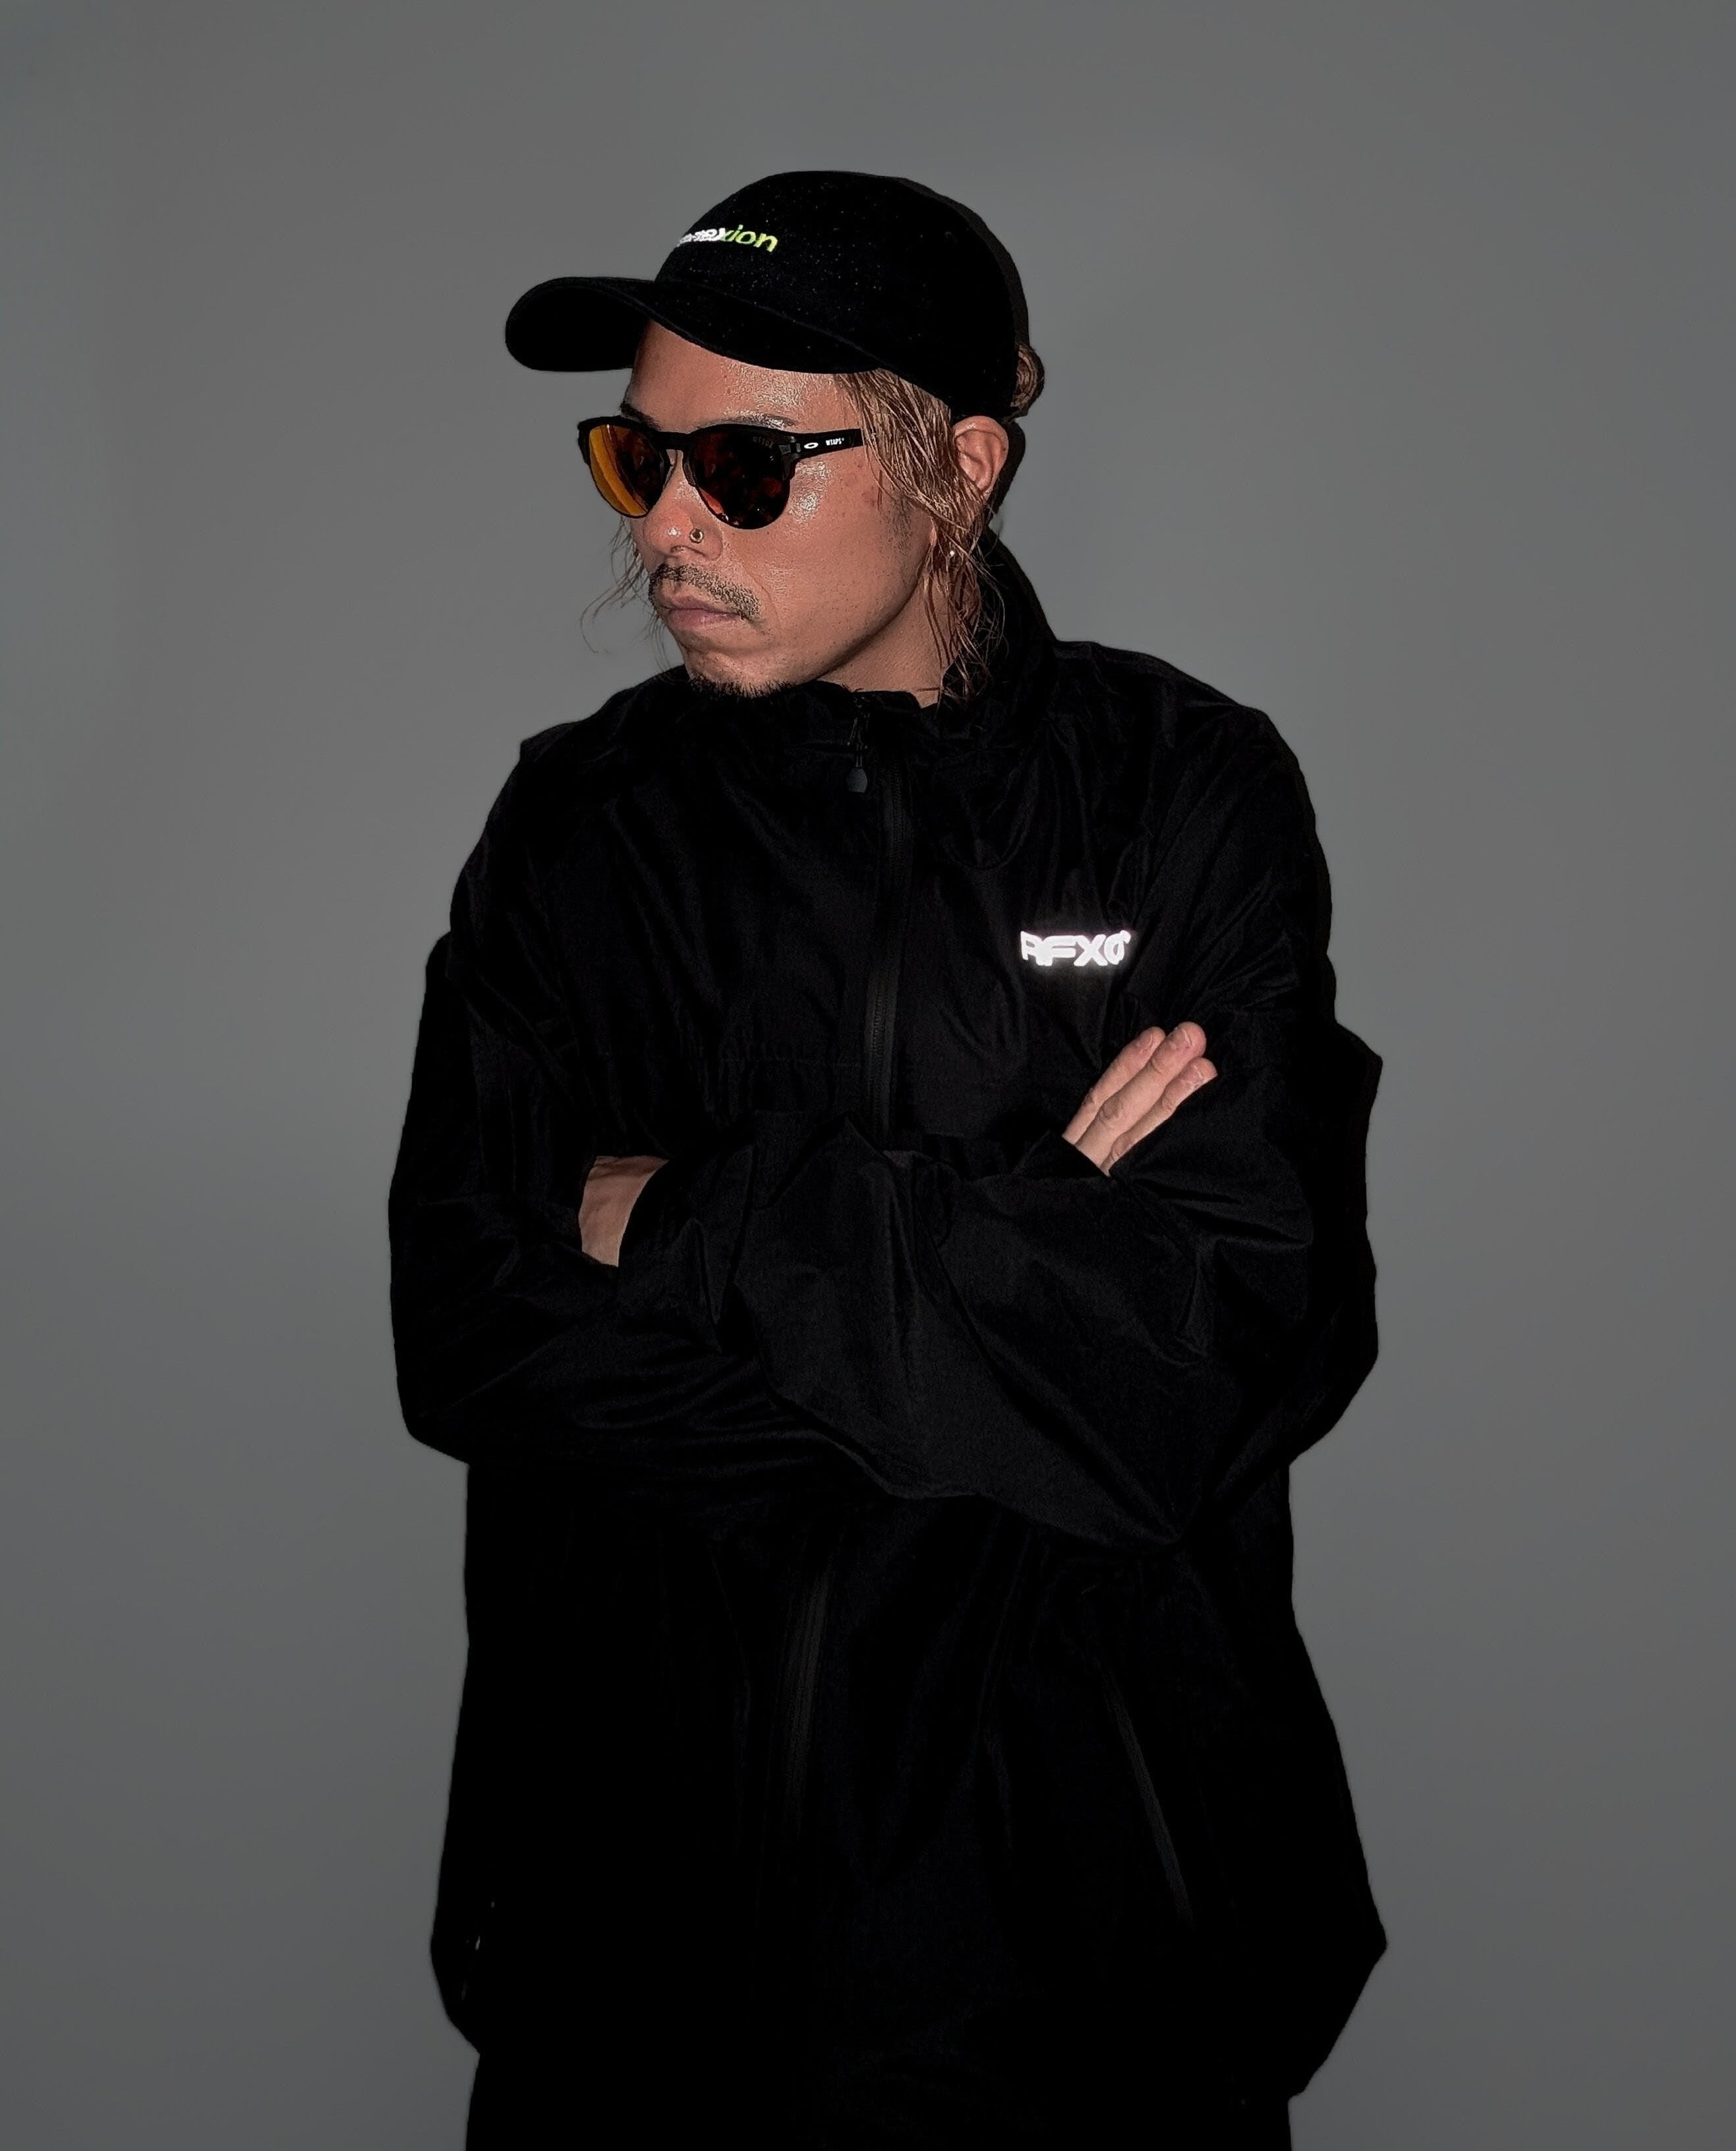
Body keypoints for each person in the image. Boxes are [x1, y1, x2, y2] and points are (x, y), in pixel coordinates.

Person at [390, 169, 1383, 2149]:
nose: (666, 526)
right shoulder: (577, 830)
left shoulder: (1184, 795)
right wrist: (1018, 1263)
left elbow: (1201, 1371)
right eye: (637, 455)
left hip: (1083, 1984)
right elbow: (476, 1338)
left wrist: (686, 1215)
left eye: (745, 467)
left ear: (959, 468)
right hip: (631, 1975)